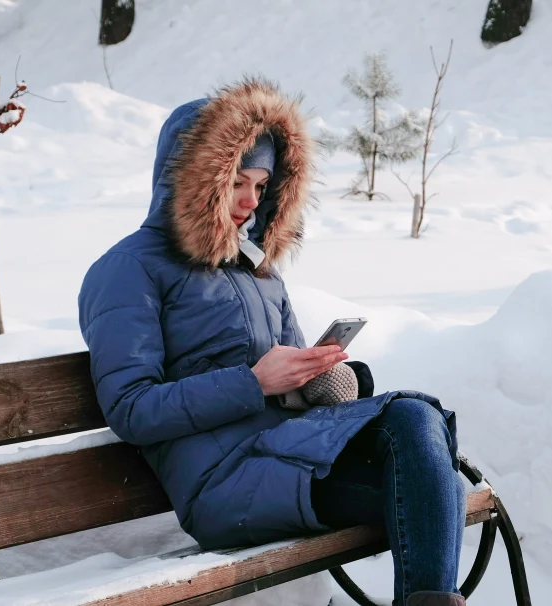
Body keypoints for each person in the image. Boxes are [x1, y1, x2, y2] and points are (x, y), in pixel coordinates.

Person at [77, 79, 468, 606]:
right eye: (238, 181)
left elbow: (290, 377)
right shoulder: (127, 270)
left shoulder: (256, 269)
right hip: (223, 484)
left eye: (261, 186)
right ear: (190, 179)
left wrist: (322, 377)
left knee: (417, 424)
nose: (249, 202)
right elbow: (131, 409)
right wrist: (253, 382)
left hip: (289, 456)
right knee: (427, 496)